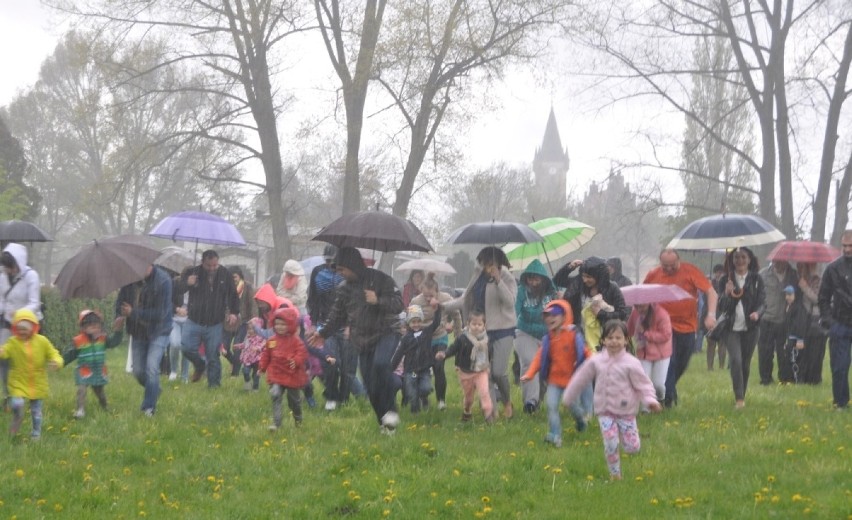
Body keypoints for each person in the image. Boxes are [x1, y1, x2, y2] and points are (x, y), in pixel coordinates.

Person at [307, 247, 404, 433]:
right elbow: (336, 316)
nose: (340, 274)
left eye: (342, 269)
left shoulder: (381, 279)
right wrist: (322, 333)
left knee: (381, 364)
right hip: (362, 339)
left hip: (386, 333)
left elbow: (399, 304)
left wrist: (378, 300)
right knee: (370, 384)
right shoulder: (343, 289)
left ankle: (391, 408)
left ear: (352, 265)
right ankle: (385, 423)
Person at [561, 320, 662, 480]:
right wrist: (568, 397)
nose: (614, 341)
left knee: (632, 448)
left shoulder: (631, 363)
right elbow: (580, 378)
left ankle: (628, 439)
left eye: (618, 338)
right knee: (610, 443)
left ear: (626, 340)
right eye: (610, 338)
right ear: (603, 340)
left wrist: (650, 401)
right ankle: (615, 474)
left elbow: (643, 385)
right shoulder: (596, 361)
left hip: (626, 412)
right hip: (605, 411)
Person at [444, 246, 517, 420]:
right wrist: (442, 306)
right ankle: (490, 414)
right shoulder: (477, 277)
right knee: (486, 372)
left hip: (503, 329)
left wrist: (498, 279)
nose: (488, 267)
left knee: (499, 372)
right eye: (485, 263)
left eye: (492, 264)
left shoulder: (506, 276)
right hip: (481, 331)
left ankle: (507, 401)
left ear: (499, 264)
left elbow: (510, 302)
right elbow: (465, 299)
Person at [643, 249, 717, 407]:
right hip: (662, 327)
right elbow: (643, 296)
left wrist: (711, 315)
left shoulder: (690, 271)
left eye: (672, 265)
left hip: (687, 326)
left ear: (679, 260)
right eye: (665, 266)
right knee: (670, 362)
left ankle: (668, 389)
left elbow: (711, 292)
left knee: (682, 362)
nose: (669, 269)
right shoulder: (653, 275)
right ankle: (667, 398)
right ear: (660, 262)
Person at [521, 300, 590, 448]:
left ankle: (581, 420)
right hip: (554, 381)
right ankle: (555, 435)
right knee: (551, 406)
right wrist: (530, 374)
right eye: (546, 315)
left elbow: (585, 352)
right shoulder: (548, 339)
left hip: (571, 381)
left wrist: (597, 363)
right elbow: (539, 358)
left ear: (564, 317)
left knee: (572, 406)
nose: (549, 318)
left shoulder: (573, 336)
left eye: (554, 315)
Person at [308, 245, 362, 410]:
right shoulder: (318, 272)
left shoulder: (351, 276)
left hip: (348, 326)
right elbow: (313, 299)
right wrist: (313, 322)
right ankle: (331, 395)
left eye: (335, 260)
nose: (331, 263)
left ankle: (344, 400)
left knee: (347, 367)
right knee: (330, 361)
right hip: (326, 325)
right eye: (328, 260)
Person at [175, 250, 240, 388]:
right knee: (186, 347)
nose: (212, 268)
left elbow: (233, 294)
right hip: (194, 320)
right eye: (208, 265)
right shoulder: (193, 273)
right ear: (202, 262)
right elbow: (179, 290)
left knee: (212, 355)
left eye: (215, 265)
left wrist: (234, 312)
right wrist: (188, 283)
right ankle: (199, 365)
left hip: (215, 322)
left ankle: (214, 385)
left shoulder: (225, 274)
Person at [118, 264, 174, 416]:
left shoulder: (163, 281)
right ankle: (154, 389)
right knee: (138, 371)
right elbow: (121, 302)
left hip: (159, 330)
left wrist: (134, 312)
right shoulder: (129, 280)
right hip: (138, 331)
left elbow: (160, 313)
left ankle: (148, 408)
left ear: (149, 264)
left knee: (151, 367)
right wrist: (119, 315)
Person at [0, 309, 63, 439]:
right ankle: (15, 425)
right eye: (19, 329)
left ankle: (36, 433)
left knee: (36, 411)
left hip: (37, 381)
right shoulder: (13, 342)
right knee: (18, 404)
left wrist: (57, 362)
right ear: (15, 328)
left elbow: (54, 353)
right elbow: (4, 352)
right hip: (18, 381)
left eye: (25, 329)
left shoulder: (42, 341)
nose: (22, 332)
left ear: (33, 327)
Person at [716, 247, 765, 409]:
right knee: (735, 360)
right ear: (732, 260)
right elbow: (721, 306)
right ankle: (739, 398)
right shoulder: (725, 280)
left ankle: (742, 393)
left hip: (751, 328)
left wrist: (757, 314)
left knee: (745, 363)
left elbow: (762, 303)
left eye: (743, 257)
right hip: (731, 327)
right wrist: (726, 293)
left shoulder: (757, 279)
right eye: (736, 257)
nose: (740, 261)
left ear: (749, 260)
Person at [553, 256, 629, 351]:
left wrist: (600, 314)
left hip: (605, 340)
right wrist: (569, 267)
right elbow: (558, 281)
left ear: (598, 276)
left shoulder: (612, 288)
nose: (585, 280)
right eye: (583, 276)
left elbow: (622, 313)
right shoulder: (578, 284)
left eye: (589, 277)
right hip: (579, 338)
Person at [410, 272, 462, 411]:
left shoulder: (446, 298)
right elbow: (410, 320)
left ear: (437, 291)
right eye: (425, 295)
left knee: (438, 367)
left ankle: (441, 401)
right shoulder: (416, 302)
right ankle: (424, 397)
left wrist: (458, 335)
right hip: (423, 339)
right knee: (423, 369)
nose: (428, 299)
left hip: (441, 336)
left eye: (431, 295)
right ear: (421, 291)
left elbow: (456, 315)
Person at [515, 259, 558, 414]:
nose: (533, 282)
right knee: (529, 362)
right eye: (530, 278)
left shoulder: (552, 293)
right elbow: (515, 308)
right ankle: (530, 402)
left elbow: (562, 314)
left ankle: (537, 400)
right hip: (524, 332)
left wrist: (560, 300)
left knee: (546, 371)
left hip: (548, 335)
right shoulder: (521, 291)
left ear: (543, 279)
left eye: (536, 279)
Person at [0, 243, 42, 400]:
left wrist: (19, 314)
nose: (9, 271)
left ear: (19, 262)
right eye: (6, 267)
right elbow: (2, 299)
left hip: (26, 324)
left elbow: (34, 303)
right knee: (4, 357)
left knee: (24, 361)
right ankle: (8, 394)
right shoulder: (3, 276)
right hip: (6, 323)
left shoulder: (31, 276)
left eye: (11, 267)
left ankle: (28, 393)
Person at [63, 310, 124, 418]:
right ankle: (80, 410)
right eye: (90, 326)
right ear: (83, 328)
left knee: (99, 392)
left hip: (98, 370)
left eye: (97, 325)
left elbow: (114, 342)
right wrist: (60, 362)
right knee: (81, 389)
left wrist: (118, 331)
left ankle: (105, 407)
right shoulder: (79, 341)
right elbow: (70, 355)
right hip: (84, 370)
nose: (94, 328)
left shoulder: (103, 338)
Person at [435, 310, 493, 423]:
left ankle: (488, 413)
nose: (476, 327)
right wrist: (444, 354)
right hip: (466, 372)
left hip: (481, 371)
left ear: (484, 325)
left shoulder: (487, 339)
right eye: (474, 324)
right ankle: (467, 410)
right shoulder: (463, 338)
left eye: (479, 324)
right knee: (469, 397)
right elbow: (453, 348)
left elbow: (490, 353)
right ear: (468, 324)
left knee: (484, 391)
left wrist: (489, 364)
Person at [818, 229, 852, 409]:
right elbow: (823, 297)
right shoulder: (833, 269)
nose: (847, 249)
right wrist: (830, 321)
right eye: (844, 246)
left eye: (850, 246)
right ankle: (841, 402)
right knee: (840, 367)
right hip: (840, 323)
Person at [259, 307, 309, 430]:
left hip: (292, 376)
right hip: (275, 374)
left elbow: (302, 353)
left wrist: (296, 361)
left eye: (283, 324)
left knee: (294, 402)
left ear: (290, 325)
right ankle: (276, 423)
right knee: (275, 395)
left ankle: (298, 419)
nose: (279, 327)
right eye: (277, 324)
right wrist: (262, 367)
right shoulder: (272, 341)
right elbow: (267, 354)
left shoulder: (296, 341)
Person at [390, 304, 443, 413]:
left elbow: (436, 323)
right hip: (410, 371)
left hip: (424, 370)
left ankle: (424, 398)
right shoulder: (406, 339)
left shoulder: (426, 333)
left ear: (422, 321)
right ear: (408, 323)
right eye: (413, 322)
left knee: (426, 388)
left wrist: (437, 310)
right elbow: (398, 355)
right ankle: (415, 414)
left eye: (418, 321)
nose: (416, 324)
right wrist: (390, 369)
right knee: (412, 394)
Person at [758, 260, 798, 384]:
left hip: (784, 319)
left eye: (780, 261)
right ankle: (766, 378)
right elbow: (757, 294)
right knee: (765, 351)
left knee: (784, 352)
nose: (777, 264)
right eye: (775, 261)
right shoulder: (763, 274)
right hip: (766, 318)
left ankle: (785, 378)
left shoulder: (793, 275)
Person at [627, 302, 672, 403]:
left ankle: (660, 399)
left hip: (661, 354)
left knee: (658, 385)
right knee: (644, 382)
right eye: (637, 306)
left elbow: (666, 335)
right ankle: (646, 408)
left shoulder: (661, 314)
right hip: (643, 353)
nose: (639, 309)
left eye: (642, 306)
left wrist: (646, 333)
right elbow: (628, 329)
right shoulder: (635, 314)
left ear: (649, 303)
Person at [795, 263, 826, 384]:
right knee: (803, 350)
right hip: (802, 318)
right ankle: (801, 377)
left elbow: (818, 299)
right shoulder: (798, 278)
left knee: (816, 351)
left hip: (815, 318)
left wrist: (805, 287)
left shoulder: (820, 280)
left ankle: (814, 378)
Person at [223, 266, 256, 377]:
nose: (233, 280)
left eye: (235, 277)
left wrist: (253, 320)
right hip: (228, 323)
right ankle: (234, 362)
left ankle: (235, 373)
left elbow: (252, 305)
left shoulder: (247, 287)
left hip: (243, 322)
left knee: (237, 348)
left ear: (240, 276)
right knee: (224, 347)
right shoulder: (225, 288)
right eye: (231, 277)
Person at [706, 264, 727, 370]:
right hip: (711, 315)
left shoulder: (726, 283)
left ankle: (721, 366)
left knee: (722, 343)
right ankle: (709, 367)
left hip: (723, 316)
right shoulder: (710, 284)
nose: (719, 274)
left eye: (720, 272)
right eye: (717, 272)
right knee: (711, 343)